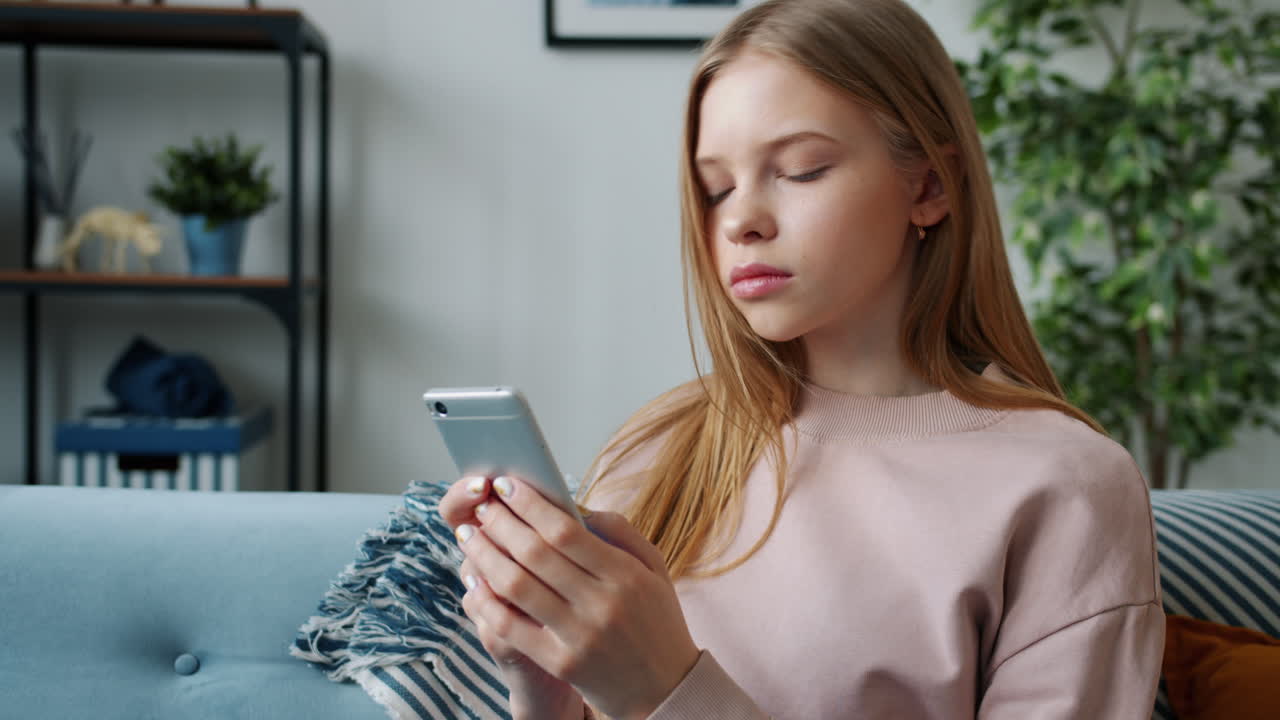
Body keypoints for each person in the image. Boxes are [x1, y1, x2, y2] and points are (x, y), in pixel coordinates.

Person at [438, 0, 1166, 717]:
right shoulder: (657, 448)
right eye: (715, 189)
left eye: (803, 170)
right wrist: (546, 687)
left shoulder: (1067, 487)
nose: (743, 220)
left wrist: (662, 691)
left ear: (929, 186)